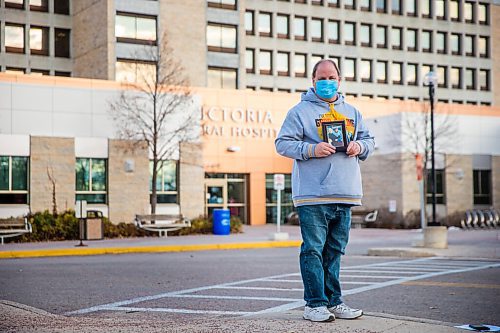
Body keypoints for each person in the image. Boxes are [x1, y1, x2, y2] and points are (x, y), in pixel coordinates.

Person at [275, 59, 375, 322]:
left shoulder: (352, 112)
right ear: (313, 81)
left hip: (346, 193)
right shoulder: (299, 112)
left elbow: (369, 140)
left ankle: (334, 301)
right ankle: (314, 304)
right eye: (322, 78)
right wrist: (311, 149)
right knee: (313, 250)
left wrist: (359, 147)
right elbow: (282, 144)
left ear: (339, 80)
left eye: (332, 77)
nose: (327, 82)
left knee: (335, 251)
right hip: (313, 195)